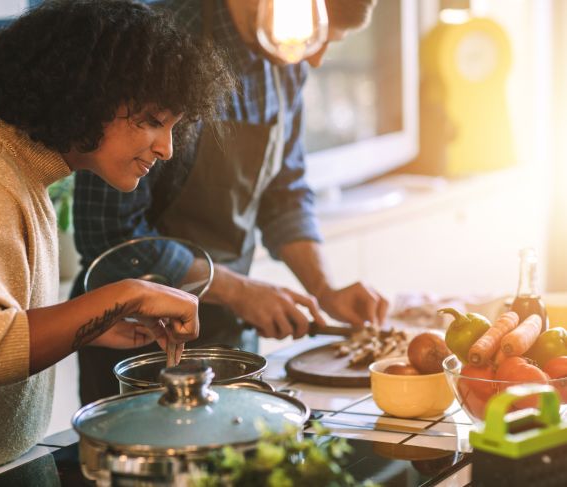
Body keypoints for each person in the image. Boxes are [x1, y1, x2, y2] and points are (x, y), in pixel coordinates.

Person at [0, 0, 233, 480]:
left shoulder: (21, 174)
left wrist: (89, 324)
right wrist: (128, 292)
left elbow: (2, 322)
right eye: (151, 120)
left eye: (173, 127)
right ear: (87, 95)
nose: (166, 147)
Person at [72, 0, 390, 405]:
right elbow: (112, 237)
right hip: (137, 346)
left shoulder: (286, 58)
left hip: (229, 337)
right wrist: (239, 291)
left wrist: (325, 289)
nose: (317, 57)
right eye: (317, 34)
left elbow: (284, 192)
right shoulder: (155, 43)